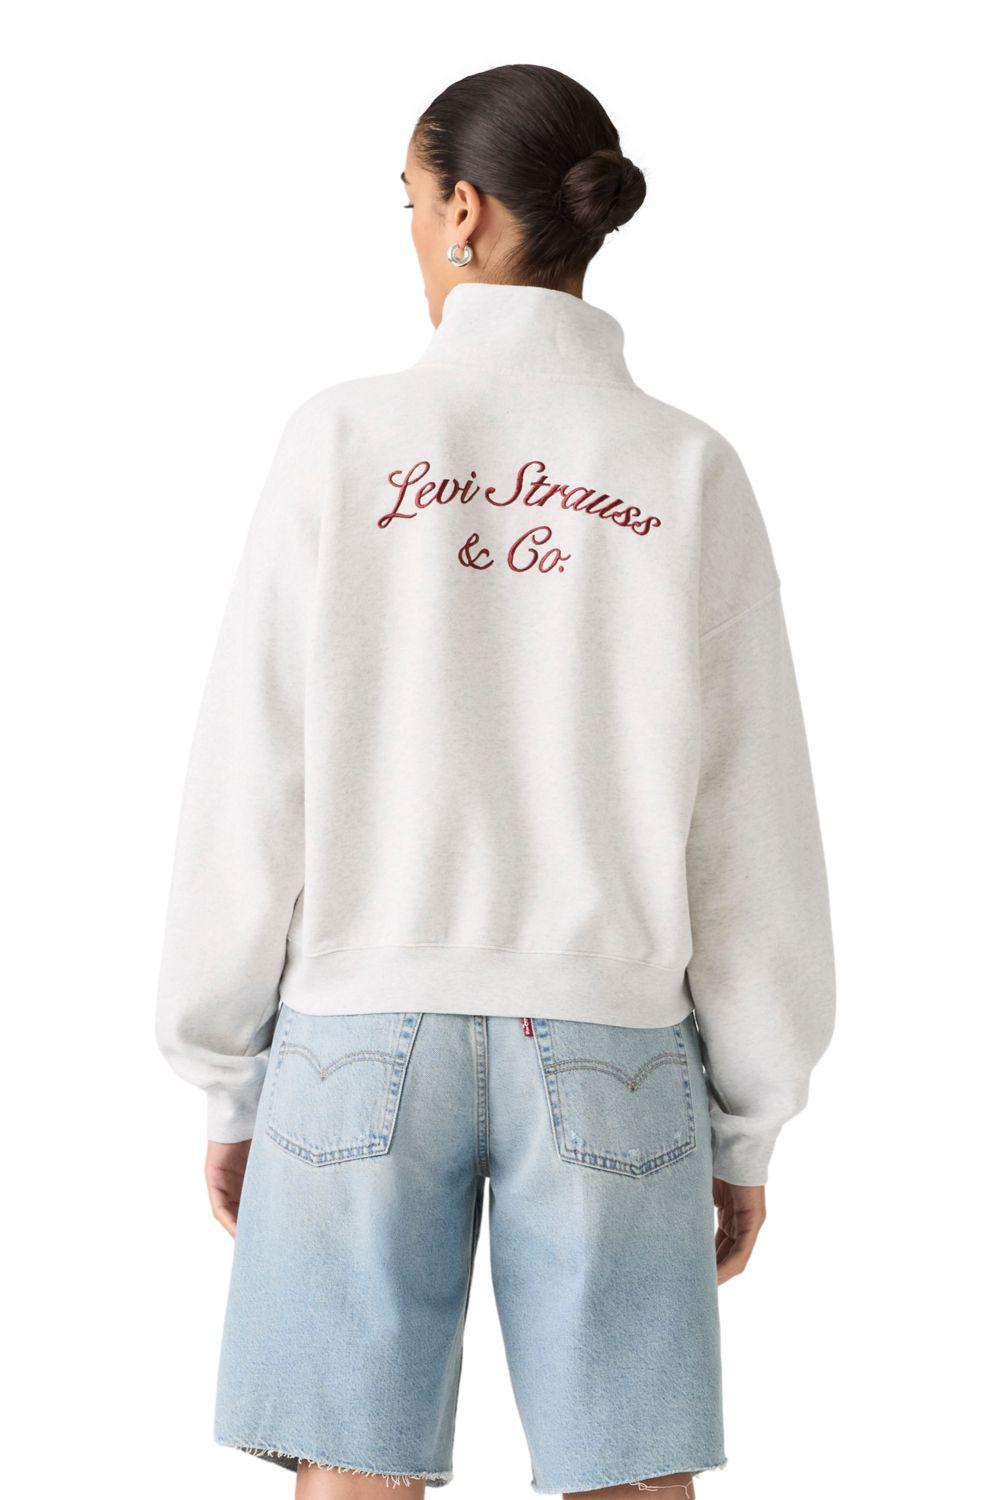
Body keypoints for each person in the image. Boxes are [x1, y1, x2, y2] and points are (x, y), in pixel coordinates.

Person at [156, 63, 835, 1500]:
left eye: (409, 203)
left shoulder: (342, 442)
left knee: (350, 1472)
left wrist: (226, 1074)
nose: (412, 233)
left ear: (464, 212)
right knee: (629, 1478)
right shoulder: (688, 468)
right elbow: (749, 821)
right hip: (612, 1036)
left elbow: (252, 770)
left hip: (355, 1032)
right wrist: (749, 1112)